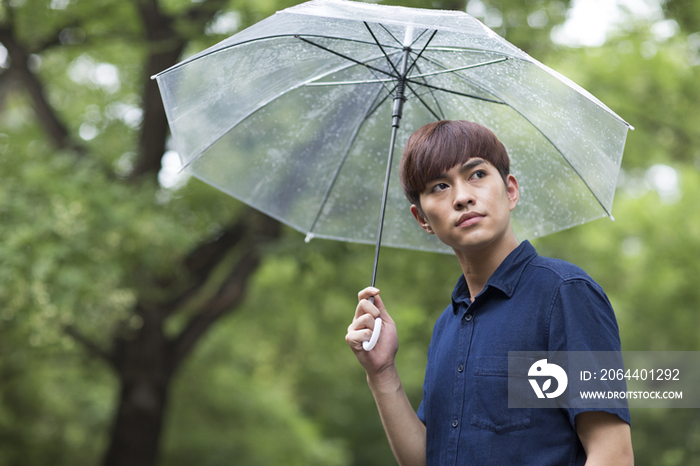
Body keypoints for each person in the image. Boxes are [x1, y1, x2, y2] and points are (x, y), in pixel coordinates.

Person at [345, 120, 633, 466]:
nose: (463, 196)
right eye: (439, 186)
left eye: (477, 174)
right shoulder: (446, 326)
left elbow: (613, 454)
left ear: (510, 190)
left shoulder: (566, 294)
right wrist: (381, 372)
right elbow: (428, 458)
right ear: (422, 219)